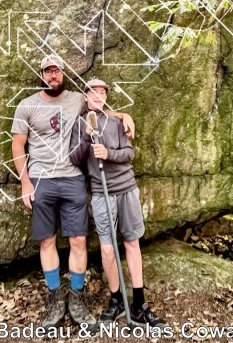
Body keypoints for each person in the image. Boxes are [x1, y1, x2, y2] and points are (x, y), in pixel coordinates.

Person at [11, 56, 135, 333]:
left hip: (73, 179)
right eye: (48, 71)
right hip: (41, 179)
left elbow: (98, 107)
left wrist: (123, 115)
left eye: (57, 70)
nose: (53, 75)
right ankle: (56, 298)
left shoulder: (76, 99)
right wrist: (25, 183)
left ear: (63, 74)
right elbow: (18, 146)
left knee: (78, 239)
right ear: (42, 74)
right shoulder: (27, 105)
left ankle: (76, 297)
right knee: (47, 240)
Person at [69, 79, 167, 328]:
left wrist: (108, 154)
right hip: (101, 194)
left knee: (131, 242)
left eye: (103, 93)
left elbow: (129, 153)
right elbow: (76, 158)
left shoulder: (116, 121)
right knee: (107, 248)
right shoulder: (80, 124)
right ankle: (116, 300)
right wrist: (87, 138)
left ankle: (139, 304)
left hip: (126, 189)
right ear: (86, 97)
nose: (99, 96)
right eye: (94, 93)